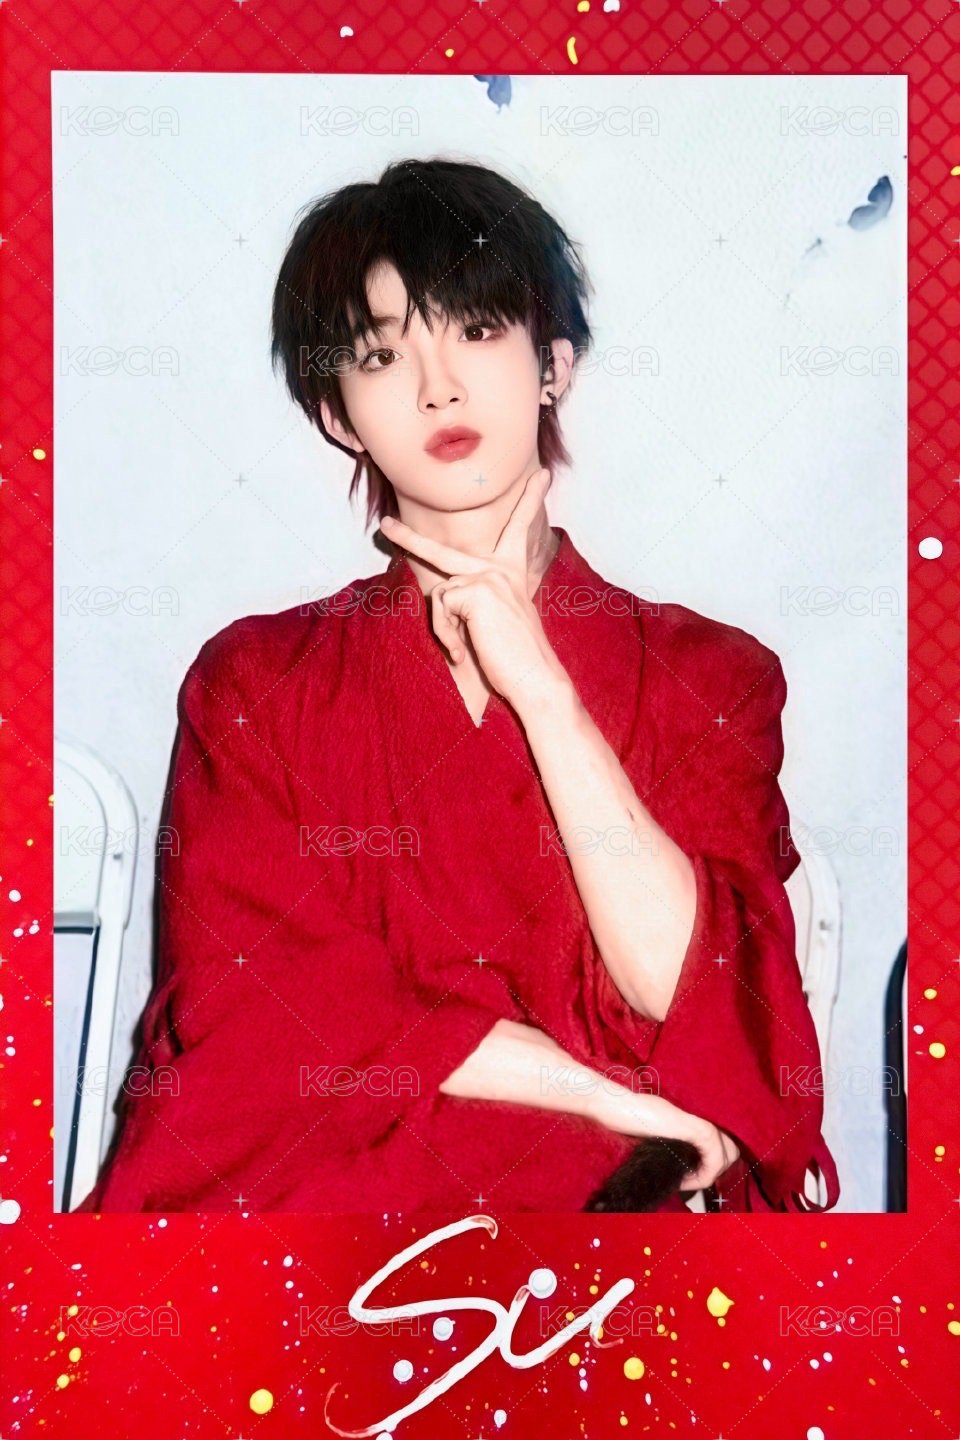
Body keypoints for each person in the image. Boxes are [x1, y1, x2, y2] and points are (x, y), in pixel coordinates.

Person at [76, 157, 839, 1214]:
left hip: (614, 1242)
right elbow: (260, 1013)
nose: (437, 386)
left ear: (553, 365)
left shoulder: (712, 676)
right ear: (338, 414)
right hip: (323, 1228)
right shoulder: (255, 682)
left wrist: (543, 689)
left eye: (476, 331)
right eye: (381, 354)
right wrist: (594, 1092)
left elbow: (693, 996)